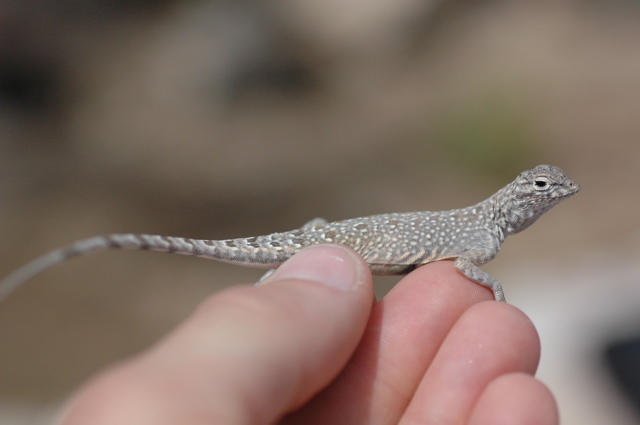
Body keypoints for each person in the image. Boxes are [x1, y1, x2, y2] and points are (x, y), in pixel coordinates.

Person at [56, 244, 558, 424]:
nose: (550, 195)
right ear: (517, 199)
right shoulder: (480, 236)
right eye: (538, 188)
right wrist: (490, 282)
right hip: (335, 245)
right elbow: (467, 266)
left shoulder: (480, 228)